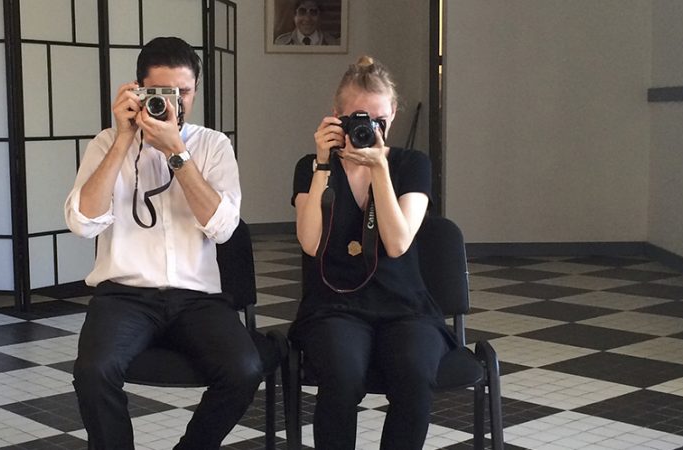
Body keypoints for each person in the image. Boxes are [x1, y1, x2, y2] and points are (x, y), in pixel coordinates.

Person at [64, 37, 261, 450]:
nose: (172, 104)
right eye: (160, 93)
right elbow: (82, 223)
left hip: (198, 297)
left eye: (182, 92)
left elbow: (223, 229)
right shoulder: (106, 143)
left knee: (244, 369)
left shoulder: (213, 145)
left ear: (194, 91)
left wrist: (178, 154)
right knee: (93, 371)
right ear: (138, 91)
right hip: (124, 295)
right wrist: (122, 139)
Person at [289, 55, 456, 450]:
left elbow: (398, 243)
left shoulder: (411, 164)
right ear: (337, 116)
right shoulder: (311, 166)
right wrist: (323, 167)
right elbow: (310, 243)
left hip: (404, 306)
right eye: (359, 119)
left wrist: (380, 171)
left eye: (379, 121)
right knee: (341, 376)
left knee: (415, 375)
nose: (369, 129)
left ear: (393, 115)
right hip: (334, 305)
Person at [274, 0, 340, 46]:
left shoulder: (332, 43)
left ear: (320, 17)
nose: (307, 19)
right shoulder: (281, 43)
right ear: (294, 16)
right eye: (302, 12)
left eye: (313, 12)